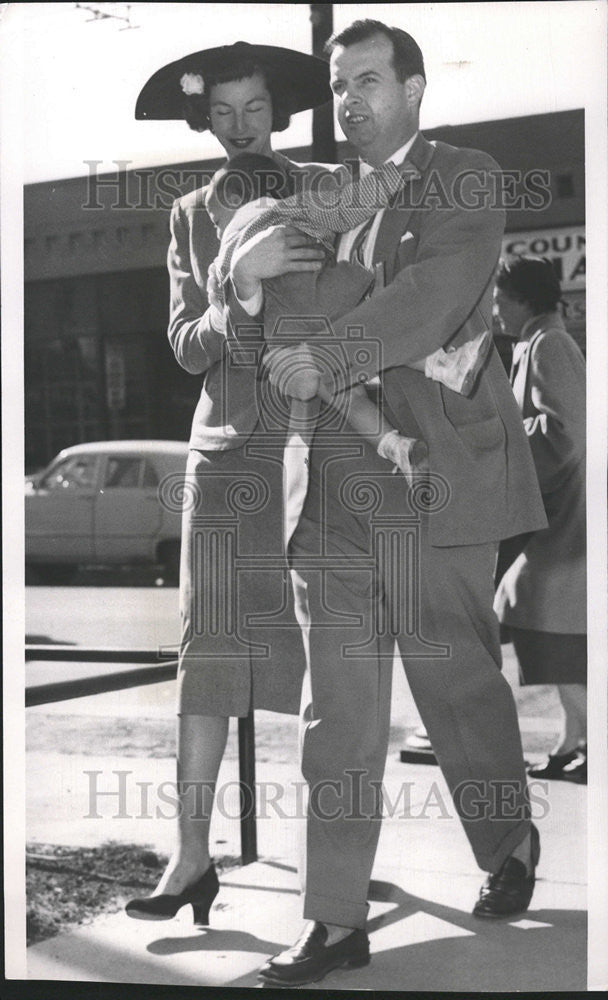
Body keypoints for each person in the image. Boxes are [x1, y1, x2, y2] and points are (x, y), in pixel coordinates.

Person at [224, 20, 548, 986]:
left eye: (369, 80)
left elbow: (434, 296)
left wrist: (322, 352)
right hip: (333, 490)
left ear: (414, 88)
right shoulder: (318, 198)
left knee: (459, 691)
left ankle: (507, 843)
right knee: (340, 719)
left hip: (438, 476)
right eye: (338, 86)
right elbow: (245, 272)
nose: (351, 100)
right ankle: (333, 920)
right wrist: (241, 279)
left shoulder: (468, 175)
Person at [126, 42, 336, 925]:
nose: (240, 129)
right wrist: (237, 290)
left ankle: (334, 873)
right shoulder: (187, 214)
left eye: (254, 110)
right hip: (222, 460)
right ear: (203, 121)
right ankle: (188, 860)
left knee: (335, 659)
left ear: (278, 112)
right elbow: (184, 345)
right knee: (206, 656)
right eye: (223, 115)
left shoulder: (328, 189)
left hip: (315, 446)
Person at [206, 152, 493, 476]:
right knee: (379, 329)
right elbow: (345, 208)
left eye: (214, 219)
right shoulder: (291, 206)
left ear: (232, 196)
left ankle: (397, 448)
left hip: (285, 344)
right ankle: (444, 366)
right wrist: (390, 177)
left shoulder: (221, 260)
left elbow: (223, 308)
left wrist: (225, 303)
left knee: (345, 396)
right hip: (326, 295)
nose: (215, 229)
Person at [493, 256, 587, 783]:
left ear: (525, 299)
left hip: (565, 518)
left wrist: (503, 440)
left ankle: (585, 739)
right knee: (545, 631)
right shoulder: (539, 342)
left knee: (538, 625)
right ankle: (571, 741)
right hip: (558, 519)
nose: (494, 309)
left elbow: (566, 432)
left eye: (501, 298)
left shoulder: (550, 344)